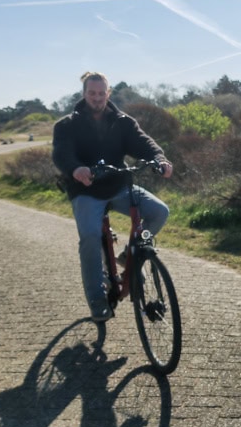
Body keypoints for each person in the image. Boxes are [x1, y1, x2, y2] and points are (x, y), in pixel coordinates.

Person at [52, 71, 173, 323]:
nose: (97, 98)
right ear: (84, 94)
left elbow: (142, 142)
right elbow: (62, 153)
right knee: (90, 238)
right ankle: (97, 299)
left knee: (159, 212)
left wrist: (159, 159)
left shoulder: (123, 121)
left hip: (119, 186)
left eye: (101, 93)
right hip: (85, 190)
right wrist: (76, 169)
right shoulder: (66, 125)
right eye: (91, 93)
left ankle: (129, 253)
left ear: (109, 93)